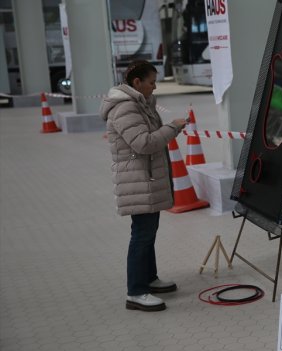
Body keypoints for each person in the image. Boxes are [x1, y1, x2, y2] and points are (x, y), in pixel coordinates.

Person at [99, 60, 188, 312]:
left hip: (146, 178)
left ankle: (149, 278)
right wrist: (173, 127)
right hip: (137, 179)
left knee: (148, 231)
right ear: (136, 82)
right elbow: (143, 143)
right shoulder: (125, 108)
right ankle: (136, 292)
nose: (155, 86)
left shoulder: (139, 103)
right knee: (141, 235)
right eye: (151, 82)